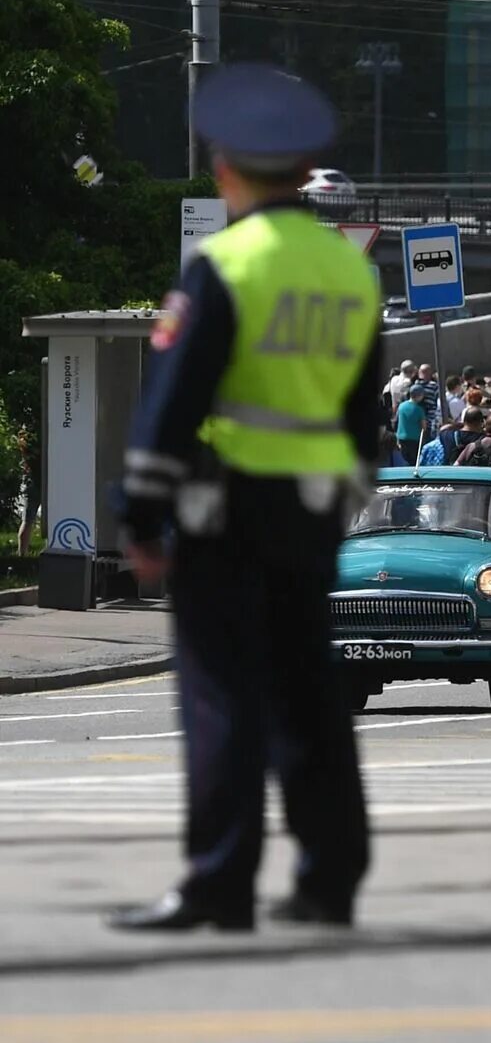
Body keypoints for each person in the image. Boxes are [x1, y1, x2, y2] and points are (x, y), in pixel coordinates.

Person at [107, 64, 375, 933]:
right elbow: (363, 419)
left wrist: (140, 515)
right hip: (311, 511)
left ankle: (222, 881)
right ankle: (329, 877)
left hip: (223, 513)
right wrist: (341, 505)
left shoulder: (224, 266)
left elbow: (173, 404)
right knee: (310, 692)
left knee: (222, 692)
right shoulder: (349, 272)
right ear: (303, 172)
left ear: (225, 168)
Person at [395, 384, 429, 462]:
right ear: (419, 396)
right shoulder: (419, 409)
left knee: (403, 461)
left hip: (401, 438)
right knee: (413, 462)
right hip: (414, 440)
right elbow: (424, 427)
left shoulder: (401, 406)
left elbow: (397, 420)